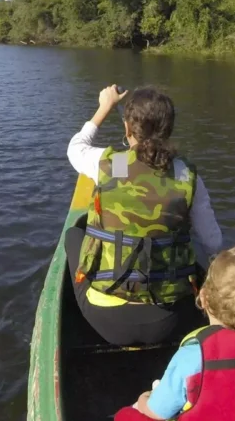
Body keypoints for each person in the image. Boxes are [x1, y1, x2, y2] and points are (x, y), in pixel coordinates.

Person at [65, 84, 223, 346]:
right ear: (168, 129)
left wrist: (105, 106)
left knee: (74, 234)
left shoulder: (114, 166)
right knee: (192, 251)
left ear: (128, 129)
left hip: (106, 320)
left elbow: (75, 148)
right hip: (171, 319)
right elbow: (214, 244)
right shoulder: (184, 174)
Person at [114, 243, 235, 421]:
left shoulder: (193, 356)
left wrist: (144, 401)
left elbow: (157, 412)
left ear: (203, 298)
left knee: (125, 416)